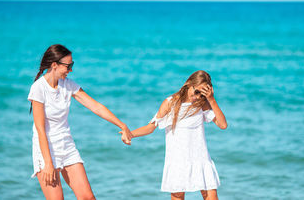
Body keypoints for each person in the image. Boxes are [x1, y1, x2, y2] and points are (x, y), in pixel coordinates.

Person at [28, 44, 132, 200]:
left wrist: (122, 125)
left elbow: (96, 106)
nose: (71, 70)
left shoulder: (68, 84)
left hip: (67, 146)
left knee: (88, 197)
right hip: (45, 151)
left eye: (72, 65)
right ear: (54, 65)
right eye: (68, 66)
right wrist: (48, 163)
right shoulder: (38, 88)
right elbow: (40, 128)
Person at [128, 70, 227, 200]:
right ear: (188, 84)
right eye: (197, 91)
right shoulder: (170, 103)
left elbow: (223, 125)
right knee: (178, 196)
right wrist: (130, 134)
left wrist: (211, 99)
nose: (198, 97)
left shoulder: (202, 104)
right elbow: (151, 127)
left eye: (202, 94)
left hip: (200, 159)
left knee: (211, 196)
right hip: (178, 161)